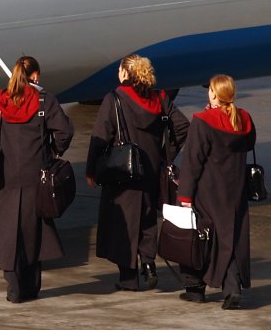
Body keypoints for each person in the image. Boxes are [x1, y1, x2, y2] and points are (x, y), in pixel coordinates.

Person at [85, 54, 189, 291]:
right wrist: (165, 154)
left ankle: (128, 278)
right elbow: (182, 127)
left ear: (125, 73)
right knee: (147, 217)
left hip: (122, 171)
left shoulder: (115, 98)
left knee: (123, 222)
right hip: (151, 169)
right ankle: (149, 264)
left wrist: (92, 170)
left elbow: (100, 137)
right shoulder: (160, 97)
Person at [0, 56, 74, 303]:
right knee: (35, 232)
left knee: (9, 233)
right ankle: (32, 287)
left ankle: (14, 288)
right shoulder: (45, 101)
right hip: (37, 175)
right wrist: (54, 151)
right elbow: (64, 131)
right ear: (35, 76)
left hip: (8, 177)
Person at [177, 74, 256, 310]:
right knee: (230, 238)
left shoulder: (202, 121)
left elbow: (193, 161)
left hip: (208, 190)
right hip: (236, 189)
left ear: (213, 93)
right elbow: (249, 143)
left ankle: (195, 288)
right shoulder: (244, 118)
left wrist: (185, 196)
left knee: (199, 238)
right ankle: (232, 288)